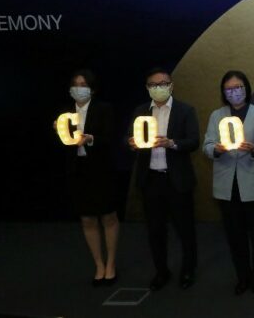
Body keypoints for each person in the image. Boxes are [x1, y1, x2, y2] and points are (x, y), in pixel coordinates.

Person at [128, 67, 200, 291]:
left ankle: (188, 270)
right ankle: (161, 271)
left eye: (163, 83)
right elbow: (136, 140)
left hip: (177, 179)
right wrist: (133, 144)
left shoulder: (185, 110)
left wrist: (171, 143)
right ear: (147, 88)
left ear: (171, 85)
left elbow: (193, 141)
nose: (158, 88)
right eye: (153, 85)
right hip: (150, 179)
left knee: (185, 229)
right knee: (155, 230)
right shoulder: (141, 111)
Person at [203, 70, 254, 295]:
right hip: (227, 185)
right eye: (230, 88)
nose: (235, 92)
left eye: (239, 87)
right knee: (235, 235)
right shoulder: (217, 115)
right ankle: (242, 276)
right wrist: (216, 149)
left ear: (246, 88)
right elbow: (207, 146)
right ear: (224, 92)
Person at [60, 69, 120, 286]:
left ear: (92, 89)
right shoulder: (65, 112)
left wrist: (90, 138)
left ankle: (111, 263)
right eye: (75, 84)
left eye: (83, 84)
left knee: (108, 216)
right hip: (78, 170)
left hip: (101, 169)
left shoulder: (104, 109)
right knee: (87, 218)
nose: (79, 88)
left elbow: (111, 136)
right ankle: (99, 264)